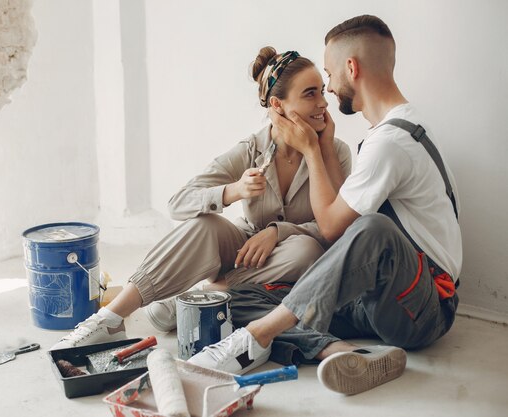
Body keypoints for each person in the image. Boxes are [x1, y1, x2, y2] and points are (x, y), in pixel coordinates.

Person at [188, 15, 462, 396]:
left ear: (352, 67)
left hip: (424, 308)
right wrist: (321, 146)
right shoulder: (392, 131)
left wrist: (311, 151)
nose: (330, 89)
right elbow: (343, 220)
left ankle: (257, 336)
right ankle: (342, 352)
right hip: (384, 297)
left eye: (330, 76)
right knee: (242, 297)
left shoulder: (390, 143)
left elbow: (336, 228)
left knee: (374, 228)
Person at [51, 47, 351, 350]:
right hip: (244, 251)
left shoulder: (335, 151)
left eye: (322, 92)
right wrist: (233, 191)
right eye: (310, 94)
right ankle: (111, 318)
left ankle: (208, 292)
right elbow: (178, 203)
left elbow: (339, 230)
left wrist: (278, 230)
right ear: (278, 104)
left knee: (306, 250)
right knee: (205, 226)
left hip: (290, 261)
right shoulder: (250, 150)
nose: (324, 103)